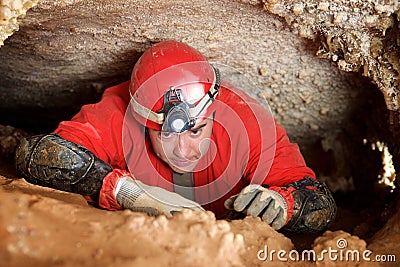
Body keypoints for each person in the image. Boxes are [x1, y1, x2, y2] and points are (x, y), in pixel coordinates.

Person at [15, 40, 336, 232]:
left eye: (196, 130)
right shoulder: (118, 114)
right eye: (164, 134)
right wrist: (127, 191)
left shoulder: (248, 124)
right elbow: (40, 153)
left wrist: (283, 204)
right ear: (142, 120)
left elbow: (319, 201)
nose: (183, 149)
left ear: (215, 111)